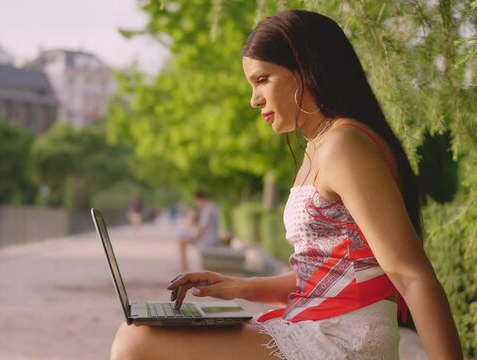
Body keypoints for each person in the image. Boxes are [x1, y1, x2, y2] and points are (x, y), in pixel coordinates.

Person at [110, 10, 463, 360]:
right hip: (313, 324)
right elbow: (325, 272)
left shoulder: (344, 146)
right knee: (141, 334)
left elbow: (412, 275)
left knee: (137, 342)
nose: (254, 99)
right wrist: (236, 287)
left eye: (262, 79)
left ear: (304, 69)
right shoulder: (318, 147)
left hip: (343, 338)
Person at [177, 191, 220, 272]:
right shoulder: (213, 207)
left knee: (181, 241)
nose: (197, 204)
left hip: (208, 240)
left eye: (196, 201)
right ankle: (184, 267)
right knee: (183, 239)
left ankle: (183, 268)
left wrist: (193, 238)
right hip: (211, 237)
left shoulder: (207, 210)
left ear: (200, 199)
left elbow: (202, 229)